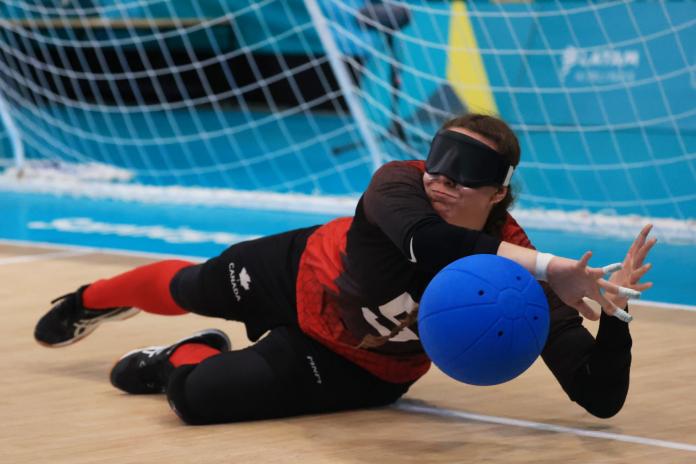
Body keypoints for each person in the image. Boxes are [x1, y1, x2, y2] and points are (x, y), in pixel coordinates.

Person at [34, 113, 655, 424]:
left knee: (194, 402)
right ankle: (89, 297)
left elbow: (599, 397)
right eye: (440, 158)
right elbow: (428, 246)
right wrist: (549, 268)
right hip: (299, 270)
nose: (442, 177)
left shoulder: (517, 279)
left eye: (468, 172)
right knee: (190, 283)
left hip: (359, 363)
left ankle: (186, 353)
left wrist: (616, 312)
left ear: (498, 194)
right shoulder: (398, 185)